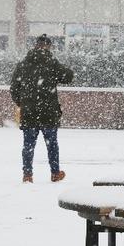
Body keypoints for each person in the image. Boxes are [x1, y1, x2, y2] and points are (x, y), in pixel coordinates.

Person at [10, 34, 74, 183]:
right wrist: (63, 66)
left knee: (28, 145)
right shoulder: (52, 63)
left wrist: (23, 103)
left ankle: (27, 175)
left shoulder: (23, 65)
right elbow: (69, 77)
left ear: (35, 46)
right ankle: (55, 173)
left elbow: (14, 89)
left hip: (29, 112)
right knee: (52, 144)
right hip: (48, 112)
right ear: (48, 46)